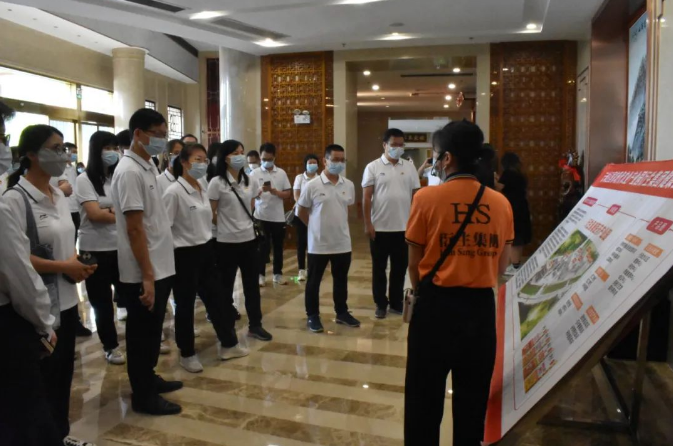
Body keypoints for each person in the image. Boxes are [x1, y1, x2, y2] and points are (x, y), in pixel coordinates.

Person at [404, 120, 513, 446]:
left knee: (423, 401)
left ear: (447, 158)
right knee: (472, 403)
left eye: (436, 155)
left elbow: (414, 264)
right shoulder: (501, 203)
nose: (435, 162)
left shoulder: (425, 198)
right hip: (480, 311)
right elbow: (501, 267)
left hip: (434, 308)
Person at [4, 124, 98, 445]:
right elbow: (15, 259)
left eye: (64, 149)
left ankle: (61, 436)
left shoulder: (58, 195)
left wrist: (75, 265)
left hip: (68, 302)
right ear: (31, 154)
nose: (63, 155)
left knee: (62, 378)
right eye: (55, 149)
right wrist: (63, 266)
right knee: (39, 386)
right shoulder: (15, 201)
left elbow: (62, 245)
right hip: (35, 308)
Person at [110, 108, 182, 416]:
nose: (161, 141)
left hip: (159, 265)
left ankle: (149, 378)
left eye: (165, 135)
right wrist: (148, 276)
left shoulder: (147, 164)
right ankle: (143, 395)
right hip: (143, 270)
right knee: (141, 336)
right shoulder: (129, 171)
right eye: (157, 135)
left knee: (152, 332)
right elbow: (135, 228)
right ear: (137, 134)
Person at [0, 102, 64, 446]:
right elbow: (18, 271)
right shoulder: (10, 201)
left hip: (55, 299)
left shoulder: (57, 194)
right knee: (25, 414)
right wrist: (43, 322)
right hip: (12, 320)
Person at [164, 143, 248, 373]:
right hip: (183, 254)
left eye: (204, 160)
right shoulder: (173, 192)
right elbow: (164, 229)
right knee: (185, 305)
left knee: (218, 299)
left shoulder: (202, 186)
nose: (202, 164)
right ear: (183, 162)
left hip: (205, 250)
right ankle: (187, 353)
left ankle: (228, 344)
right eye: (197, 160)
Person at [208, 140, 273, 342]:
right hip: (225, 242)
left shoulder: (249, 181)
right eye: (235, 153)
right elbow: (211, 212)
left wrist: (241, 225)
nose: (240, 156)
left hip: (248, 240)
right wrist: (225, 226)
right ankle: (227, 325)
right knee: (226, 287)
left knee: (251, 286)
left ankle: (256, 324)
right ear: (225, 157)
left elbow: (250, 207)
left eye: (241, 152)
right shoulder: (217, 182)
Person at [298, 144, 360, 333]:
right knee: (313, 281)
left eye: (342, 160)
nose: (339, 163)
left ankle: (341, 312)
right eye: (335, 159)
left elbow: (348, 210)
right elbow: (301, 211)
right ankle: (312, 315)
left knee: (341, 280)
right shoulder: (312, 185)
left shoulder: (348, 185)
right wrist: (314, 227)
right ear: (325, 161)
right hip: (319, 244)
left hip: (342, 242)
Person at [76, 131, 126, 365]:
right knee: (101, 301)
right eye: (108, 148)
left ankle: (143, 339)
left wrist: (112, 212)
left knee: (129, 295)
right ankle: (110, 345)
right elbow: (95, 215)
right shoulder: (84, 179)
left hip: (119, 246)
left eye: (115, 148)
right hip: (93, 249)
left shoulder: (117, 176)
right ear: (96, 150)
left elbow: (131, 208)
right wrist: (119, 213)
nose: (113, 153)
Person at [362, 128, 420, 319]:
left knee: (399, 268)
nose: (398, 148)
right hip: (380, 228)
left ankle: (395, 303)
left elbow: (416, 196)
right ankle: (380, 303)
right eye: (394, 144)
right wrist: (368, 224)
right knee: (379, 268)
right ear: (385, 145)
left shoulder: (409, 167)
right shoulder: (373, 167)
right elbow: (366, 197)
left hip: (404, 228)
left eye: (401, 145)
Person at [250, 143, 292, 286]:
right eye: (263, 159)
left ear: (274, 157)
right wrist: (260, 190)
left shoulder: (281, 173)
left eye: (269, 159)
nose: (266, 162)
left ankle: (277, 274)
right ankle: (260, 275)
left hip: (278, 217)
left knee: (278, 247)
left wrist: (275, 192)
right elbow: (250, 195)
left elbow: (287, 193)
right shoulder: (254, 174)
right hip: (261, 215)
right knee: (262, 247)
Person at [497, 151, 532, 275]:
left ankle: (515, 266)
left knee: (514, 237)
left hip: (512, 208)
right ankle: (516, 264)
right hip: (522, 207)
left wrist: (493, 180)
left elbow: (499, 188)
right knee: (519, 237)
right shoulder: (520, 174)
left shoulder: (508, 173)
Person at [292, 154, 320, 281]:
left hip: (315, 214)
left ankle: (311, 269)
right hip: (301, 214)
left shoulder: (320, 179)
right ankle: (301, 270)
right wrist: (304, 206)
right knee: (301, 242)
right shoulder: (299, 178)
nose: (312, 165)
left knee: (313, 243)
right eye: (310, 163)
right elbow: (296, 195)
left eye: (314, 162)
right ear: (305, 164)